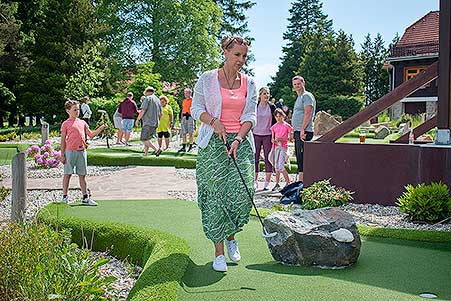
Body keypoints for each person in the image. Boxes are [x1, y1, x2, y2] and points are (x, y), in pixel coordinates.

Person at [191, 36, 256, 272]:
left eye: (244, 56)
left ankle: (231, 236)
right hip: (213, 144)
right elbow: (196, 109)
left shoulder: (250, 83)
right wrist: (214, 122)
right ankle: (219, 252)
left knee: (242, 192)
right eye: (237, 54)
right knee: (215, 196)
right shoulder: (207, 79)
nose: (241, 60)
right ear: (225, 52)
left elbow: (250, 116)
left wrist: (238, 138)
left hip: (240, 142)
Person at [60, 99, 107, 206]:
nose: (77, 112)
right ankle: (65, 197)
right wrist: (62, 155)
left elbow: (91, 135)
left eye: (78, 109)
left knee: (82, 175)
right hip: (70, 152)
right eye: (74, 110)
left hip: (81, 151)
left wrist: (101, 128)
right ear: (68, 111)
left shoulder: (82, 122)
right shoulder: (65, 124)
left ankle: (85, 197)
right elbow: (62, 140)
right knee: (67, 174)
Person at [291, 75, 316, 182]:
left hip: (305, 131)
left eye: (299, 84)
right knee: (299, 156)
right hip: (298, 131)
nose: (297, 86)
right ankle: (301, 181)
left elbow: (308, 112)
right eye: (295, 84)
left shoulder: (307, 96)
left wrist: (302, 129)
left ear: (303, 83)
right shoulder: (299, 97)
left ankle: (303, 181)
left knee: (303, 157)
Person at [253, 87, 276, 191]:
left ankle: (267, 183)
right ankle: (255, 181)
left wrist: (275, 135)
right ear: (260, 95)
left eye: (268, 93)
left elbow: (275, 122)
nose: (266, 95)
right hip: (255, 134)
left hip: (268, 135)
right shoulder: (255, 106)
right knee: (255, 158)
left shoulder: (272, 107)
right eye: (264, 93)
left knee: (268, 158)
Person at [270, 108, 293, 191]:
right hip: (276, 147)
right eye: (277, 116)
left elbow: (290, 139)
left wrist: (281, 139)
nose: (278, 118)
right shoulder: (274, 127)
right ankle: (277, 183)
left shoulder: (287, 126)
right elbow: (272, 139)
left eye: (280, 116)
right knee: (276, 166)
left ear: (283, 116)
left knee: (280, 166)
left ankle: (288, 182)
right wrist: (273, 140)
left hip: (283, 147)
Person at [135, 87, 162, 156]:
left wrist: (138, 119)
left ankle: (156, 149)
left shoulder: (147, 98)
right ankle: (145, 154)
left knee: (143, 139)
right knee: (147, 139)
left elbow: (143, 110)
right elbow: (161, 114)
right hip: (155, 123)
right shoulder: (158, 100)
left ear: (147, 92)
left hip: (148, 122)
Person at [178, 88, 196, 152]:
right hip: (184, 117)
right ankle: (184, 147)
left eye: (186, 93)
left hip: (190, 117)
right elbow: (183, 109)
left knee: (191, 132)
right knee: (183, 132)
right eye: (184, 93)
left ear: (190, 93)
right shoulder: (184, 101)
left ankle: (191, 146)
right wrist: (181, 118)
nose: (185, 94)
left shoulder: (193, 100)